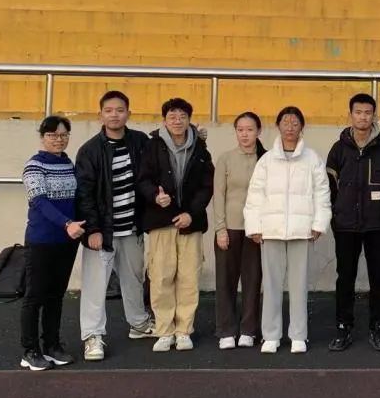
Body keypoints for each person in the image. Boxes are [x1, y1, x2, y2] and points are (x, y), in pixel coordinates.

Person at [74, 91, 154, 363]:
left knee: (134, 280)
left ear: (128, 113)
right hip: (102, 232)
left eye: (120, 110)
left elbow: (163, 152)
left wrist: (195, 135)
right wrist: (93, 229)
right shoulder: (89, 150)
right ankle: (92, 336)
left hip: (131, 228)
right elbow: (84, 194)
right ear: (100, 115)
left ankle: (139, 324)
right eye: (109, 110)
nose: (114, 115)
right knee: (95, 287)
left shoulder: (140, 142)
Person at [244, 107, 331, 354]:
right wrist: (254, 226)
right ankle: (271, 335)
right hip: (271, 231)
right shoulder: (266, 160)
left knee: (299, 285)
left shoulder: (312, 159)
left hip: (301, 231)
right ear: (278, 126)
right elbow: (255, 195)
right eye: (285, 122)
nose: (290, 127)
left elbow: (322, 193)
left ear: (302, 127)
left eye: (295, 123)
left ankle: (298, 335)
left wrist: (319, 224)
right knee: (271, 285)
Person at [137, 98, 215, 353]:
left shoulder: (200, 147)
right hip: (161, 221)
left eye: (182, 116)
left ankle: (184, 330)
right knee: (161, 277)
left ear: (189, 119)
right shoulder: (152, 146)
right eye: (172, 116)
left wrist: (192, 213)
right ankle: (164, 330)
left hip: (191, 222)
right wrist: (155, 196)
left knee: (189, 277)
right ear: (164, 120)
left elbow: (207, 185)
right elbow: (143, 179)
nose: (177, 121)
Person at [326, 93, 380, 352]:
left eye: (368, 112)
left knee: (378, 278)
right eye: (358, 112)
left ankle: (377, 328)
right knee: (345, 278)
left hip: (378, 226)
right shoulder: (338, 149)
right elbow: (330, 188)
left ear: (374, 115)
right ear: (350, 115)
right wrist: (339, 212)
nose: (363, 117)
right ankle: (343, 328)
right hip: (346, 226)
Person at [20, 115, 83, 371]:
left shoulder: (69, 164)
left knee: (56, 296)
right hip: (41, 240)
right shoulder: (34, 166)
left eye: (64, 135)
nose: (59, 139)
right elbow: (39, 201)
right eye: (53, 135)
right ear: (42, 137)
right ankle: (30, 350)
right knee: (35, 296)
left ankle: (52, 346)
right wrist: (66, 223)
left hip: (67, 242)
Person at [212, 112, 267, 350]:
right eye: (240, 130)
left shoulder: (265, 159)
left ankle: (248, 330)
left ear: (258, 131)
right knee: (226, 281)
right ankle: (226, 330)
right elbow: (219, 195)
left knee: (253, 280)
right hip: (230, 228)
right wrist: (220, 229)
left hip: (255, 230)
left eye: (250, 129)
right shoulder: (225, 159)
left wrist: (263, 227)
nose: (245, 134)